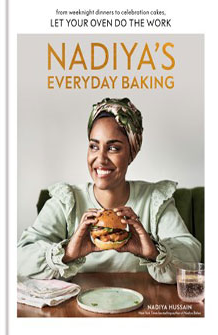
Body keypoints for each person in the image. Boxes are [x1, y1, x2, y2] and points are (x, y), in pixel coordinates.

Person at [17, 98, 201, 284]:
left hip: (142, 306)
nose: (101, 158)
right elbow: (20, 259)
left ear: (131, 153)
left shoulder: (154, 200)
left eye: (113, 148)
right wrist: (68, 253)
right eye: (94, 146)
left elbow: (192, 258)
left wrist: (152, 252)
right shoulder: (67, 200)